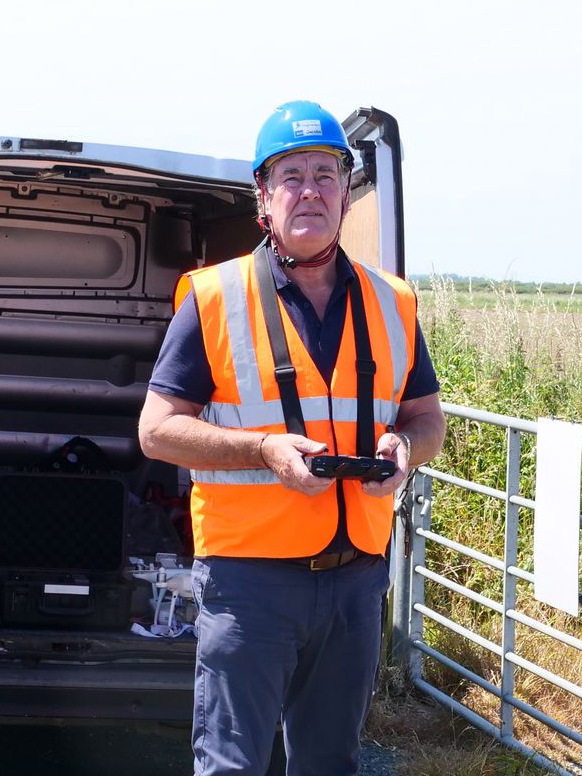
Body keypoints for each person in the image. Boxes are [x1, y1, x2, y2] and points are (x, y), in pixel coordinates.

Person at [139, 101, 445, 776]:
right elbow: (157, 431)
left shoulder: (392, 301)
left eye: (326, 173)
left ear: (346, 190)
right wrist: (262, 449)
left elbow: (427, 418)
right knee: (233, 766)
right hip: (250, 584)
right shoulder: (214, 297)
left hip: (356, 580)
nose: (311, 189)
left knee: (330, 763)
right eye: (292, 175)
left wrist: (404, 447)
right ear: (264, 197)